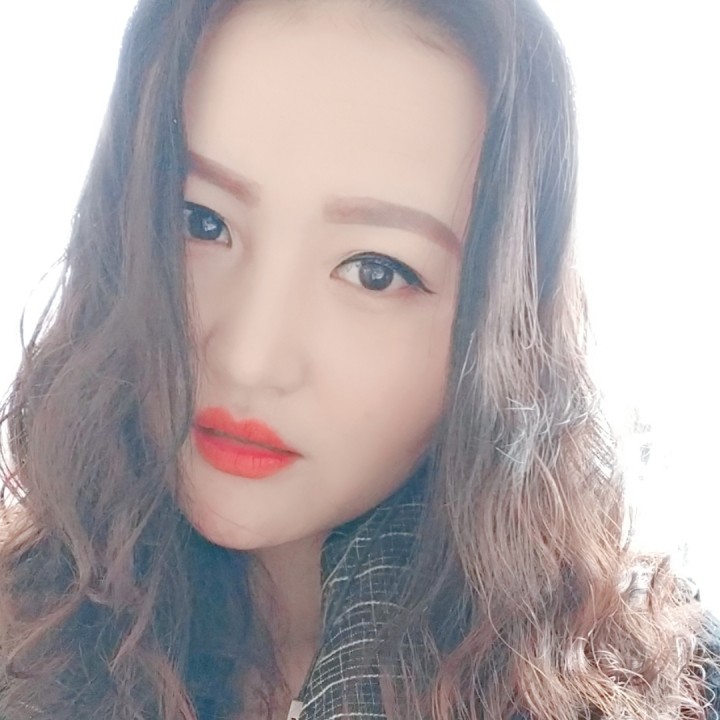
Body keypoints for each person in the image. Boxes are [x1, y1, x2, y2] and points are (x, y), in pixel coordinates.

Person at [1, 0, 718, 718]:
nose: (250, 359)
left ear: (501, 330)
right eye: (202, 222)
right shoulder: (22, 637)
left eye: (376, 271)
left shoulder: (668, 690)